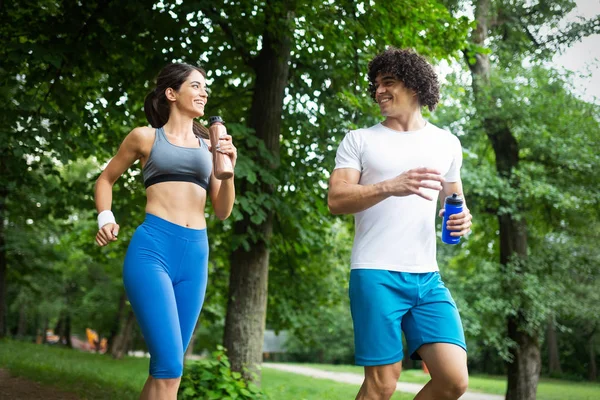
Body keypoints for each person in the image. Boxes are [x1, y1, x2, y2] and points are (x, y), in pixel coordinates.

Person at [328, 47, 472, 400]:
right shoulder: (359, 140)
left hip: (427, 276)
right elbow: (337, 199)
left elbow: (455, 202)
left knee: (453, 380)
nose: (378, 91)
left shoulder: (447, 143)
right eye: (376, 85)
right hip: (375, 272)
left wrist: (464, 221)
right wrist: (390, 185)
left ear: (415, 86)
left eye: (387, 83)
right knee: (382, 384)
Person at [94, 63, 236, 400]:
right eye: (196, 86)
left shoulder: (210, 145)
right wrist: (105, 217)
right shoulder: (145, 137)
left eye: (206, 87)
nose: (204, 93)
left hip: (195, 255)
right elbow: (105, 178)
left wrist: (230, 165)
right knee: (170, 367)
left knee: (167, 370)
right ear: (172, 93)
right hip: (153, 250)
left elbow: (222, 210)